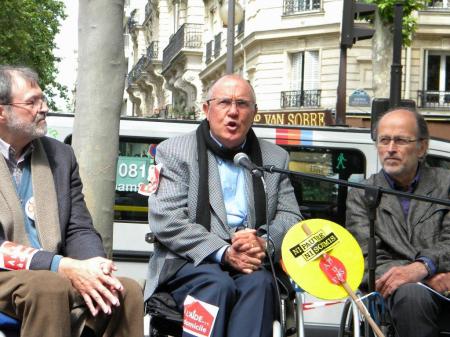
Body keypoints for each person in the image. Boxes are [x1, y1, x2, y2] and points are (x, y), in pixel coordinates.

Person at [144, 74, 302, 337]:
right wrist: (224, 252)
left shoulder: (275, 158)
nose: (233, 112)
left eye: (242, 104)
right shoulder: (174, 151)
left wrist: (263, 242)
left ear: (254, 113)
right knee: (217, 284)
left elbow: (290, 216)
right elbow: (167, 219)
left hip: (253, 262)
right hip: (190, 263)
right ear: (206, 109)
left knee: (261, 283)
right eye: (224, 102)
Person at [0, 65, 144, 337]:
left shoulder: (60, 156)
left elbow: (78, 227)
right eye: (32, 102)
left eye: (42, 99)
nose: (43, 108)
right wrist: (58, 265)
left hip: (54, 271)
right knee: (49, 287)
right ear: (1, 112)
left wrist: (95, 265)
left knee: (126, 291)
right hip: (9, 274)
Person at [346, 107, 450, 337]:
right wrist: (416, 277)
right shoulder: (363, 194)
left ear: (422, 147)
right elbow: (365, 257)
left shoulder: (446, 184)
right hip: (398, 296)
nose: (390, 149)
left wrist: (422, 268)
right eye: (384, 140)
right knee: (412, 295)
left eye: (401, 140)